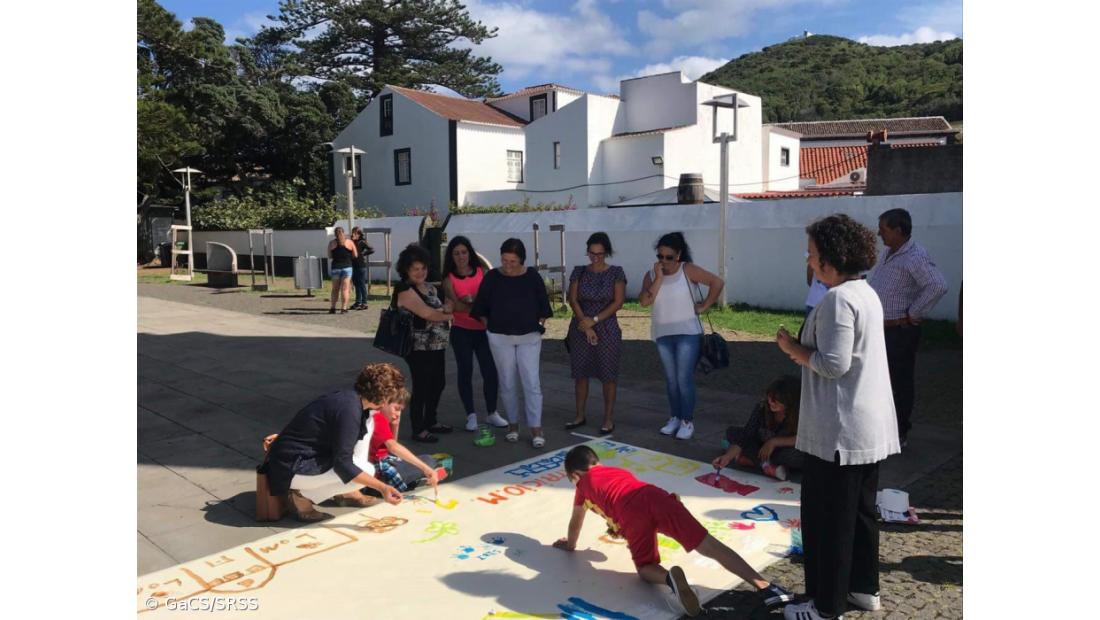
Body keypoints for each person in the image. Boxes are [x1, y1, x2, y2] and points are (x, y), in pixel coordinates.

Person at [776, 214, 900, 620]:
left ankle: (825, 606)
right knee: (861, 515)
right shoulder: (865, 292)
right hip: (866, 428)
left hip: (839, 433)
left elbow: (833, 364)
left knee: (829, 521)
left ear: (830, 259)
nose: (809, 261)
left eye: (812, 254)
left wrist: (792, 349)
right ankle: (864, 588)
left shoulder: (838, 299)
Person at [553, 445, 794, 617]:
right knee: (710, 545)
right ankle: (766, 587)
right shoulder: (617, 472)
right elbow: (622, 497)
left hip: (631, 515)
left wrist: (570, 544)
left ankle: (669, 579)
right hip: (656, 496)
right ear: (596, 462)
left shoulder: (582, 486)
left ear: (575, 475)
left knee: (645, 567)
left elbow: (577, 521)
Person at [264, 363, 407, 522]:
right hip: (290, 468)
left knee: (361, 467)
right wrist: (383, 488)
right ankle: (301, 495)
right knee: (365, 470)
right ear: (383, 397)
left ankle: (307, 493)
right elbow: (343, 464)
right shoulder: (350, 409)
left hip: (294, 458)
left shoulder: (352, 399)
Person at [867, 208, 948, 448]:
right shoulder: (889, 253)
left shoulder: (914, 256)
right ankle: (882, 428)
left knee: (898, 382)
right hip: (882, 329)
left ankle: (898, 431)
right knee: (880, 379)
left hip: (899, 332)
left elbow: (937, 285)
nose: (880, 234)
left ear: (899, 230)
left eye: (884, 230)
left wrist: (912, 314)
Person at [638, 232, 723, 440]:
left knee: (684, 379)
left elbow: (717, 282)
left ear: (679, 255)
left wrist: (705, 306)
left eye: (669, 257)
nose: (664, 262)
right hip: (662, 333)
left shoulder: (688, 270)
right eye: (660, 257)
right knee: (671, 380)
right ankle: (674, 417)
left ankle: (687, 420)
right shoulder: (651, 274)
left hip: (688, 333)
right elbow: (644, 301)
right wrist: (658, 278)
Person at [470, 238, 553, 448]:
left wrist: (540, 322)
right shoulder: (492, 277)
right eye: (504, 260)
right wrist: (489, 326)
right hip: (500, 337)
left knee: (531, 382)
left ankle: (536, 427)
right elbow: (480, 306)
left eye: (513, 261)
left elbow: (544, 305)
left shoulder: (532, 276)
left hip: (529, 337)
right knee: (507, 381)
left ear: (521, 260)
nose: (508, 265)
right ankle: (513, 425)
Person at [441, 236, 509, 432]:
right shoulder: (448, 279)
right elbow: (457, 306)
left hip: (484, 331)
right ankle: (470, 415)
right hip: (461, 331)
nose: (461, 256)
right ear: (451, 257)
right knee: (466, 371)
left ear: (470, 253)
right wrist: (474, 305)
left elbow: (490, 300)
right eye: (456, 253)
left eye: (464, 252)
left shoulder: (482, 272)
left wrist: (472, 304)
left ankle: (492, 412)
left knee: (490, 371)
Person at [565, 232, 627, 435]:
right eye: (592, 253)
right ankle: (579, 414)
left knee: (608, 375)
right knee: (580, 373)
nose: (595, 257)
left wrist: (596, 320)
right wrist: (586, 323)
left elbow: (618, 302)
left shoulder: (616, 272)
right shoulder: (579, 272)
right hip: (582, 326)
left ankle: (608, 418)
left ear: (606, 253)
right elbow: (573, 299)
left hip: (607, 326)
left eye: (599, 254)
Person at [394, 243, 454, 443]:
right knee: (422, 386)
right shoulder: (404, 290)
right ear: (406, 270)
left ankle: (431, 421)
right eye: (415, 269)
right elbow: (427, 313)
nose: (420, 273)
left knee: (438, 383)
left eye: (423, 268)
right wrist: (449, 314)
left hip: (437, 344)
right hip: (418, 347)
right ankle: (418, 428)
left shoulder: (429, 287)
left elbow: (446, 303)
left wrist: (447, 308)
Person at [712, 375, 803, 481]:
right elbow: (747, 434)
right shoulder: (762, 407)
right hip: (761, 446)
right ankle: (766, 465)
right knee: (733, 432)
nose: (771, 402)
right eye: (770, 397)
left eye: (777, 400)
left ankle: (756, 462)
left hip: (783, 449)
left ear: (790, 402)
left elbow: (804, 439)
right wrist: (727, 457)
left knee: (798, 457)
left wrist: (774, 442)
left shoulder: (799, 415)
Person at [367, 400, 443, 493]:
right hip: (378, 473)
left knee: (427, 459)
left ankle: (419, 478)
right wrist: (425, 468)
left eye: (400, 411)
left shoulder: (379, 417)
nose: (398, 414)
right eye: (396, 409)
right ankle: (415, 481)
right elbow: (393, 447)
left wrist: (395, 425)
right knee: (429, 461)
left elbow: (389, 448)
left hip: (380, 464)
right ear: (384, 403)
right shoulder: (378, 418)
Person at [328, 227, 358, 314]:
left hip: (336, 267)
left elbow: (329, 256)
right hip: (347, 267)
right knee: (345, 289)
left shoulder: (332, 243)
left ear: (335, 234)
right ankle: (343, 308)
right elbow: (355, 255)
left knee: (335, 289)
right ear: (344, 233)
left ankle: (333, 308)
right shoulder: (349, 242)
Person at [350, 227, 373, 310]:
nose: (353, 234)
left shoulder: (362, 242)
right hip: (353, 265)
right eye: (352, 232)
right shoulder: (352, 242)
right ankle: (358, 302)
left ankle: (364, 302)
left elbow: (371, 249)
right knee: (356, 284)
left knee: (361, 283)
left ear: (359, 234)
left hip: (360, 265)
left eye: (355, 233)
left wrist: (363, 254)